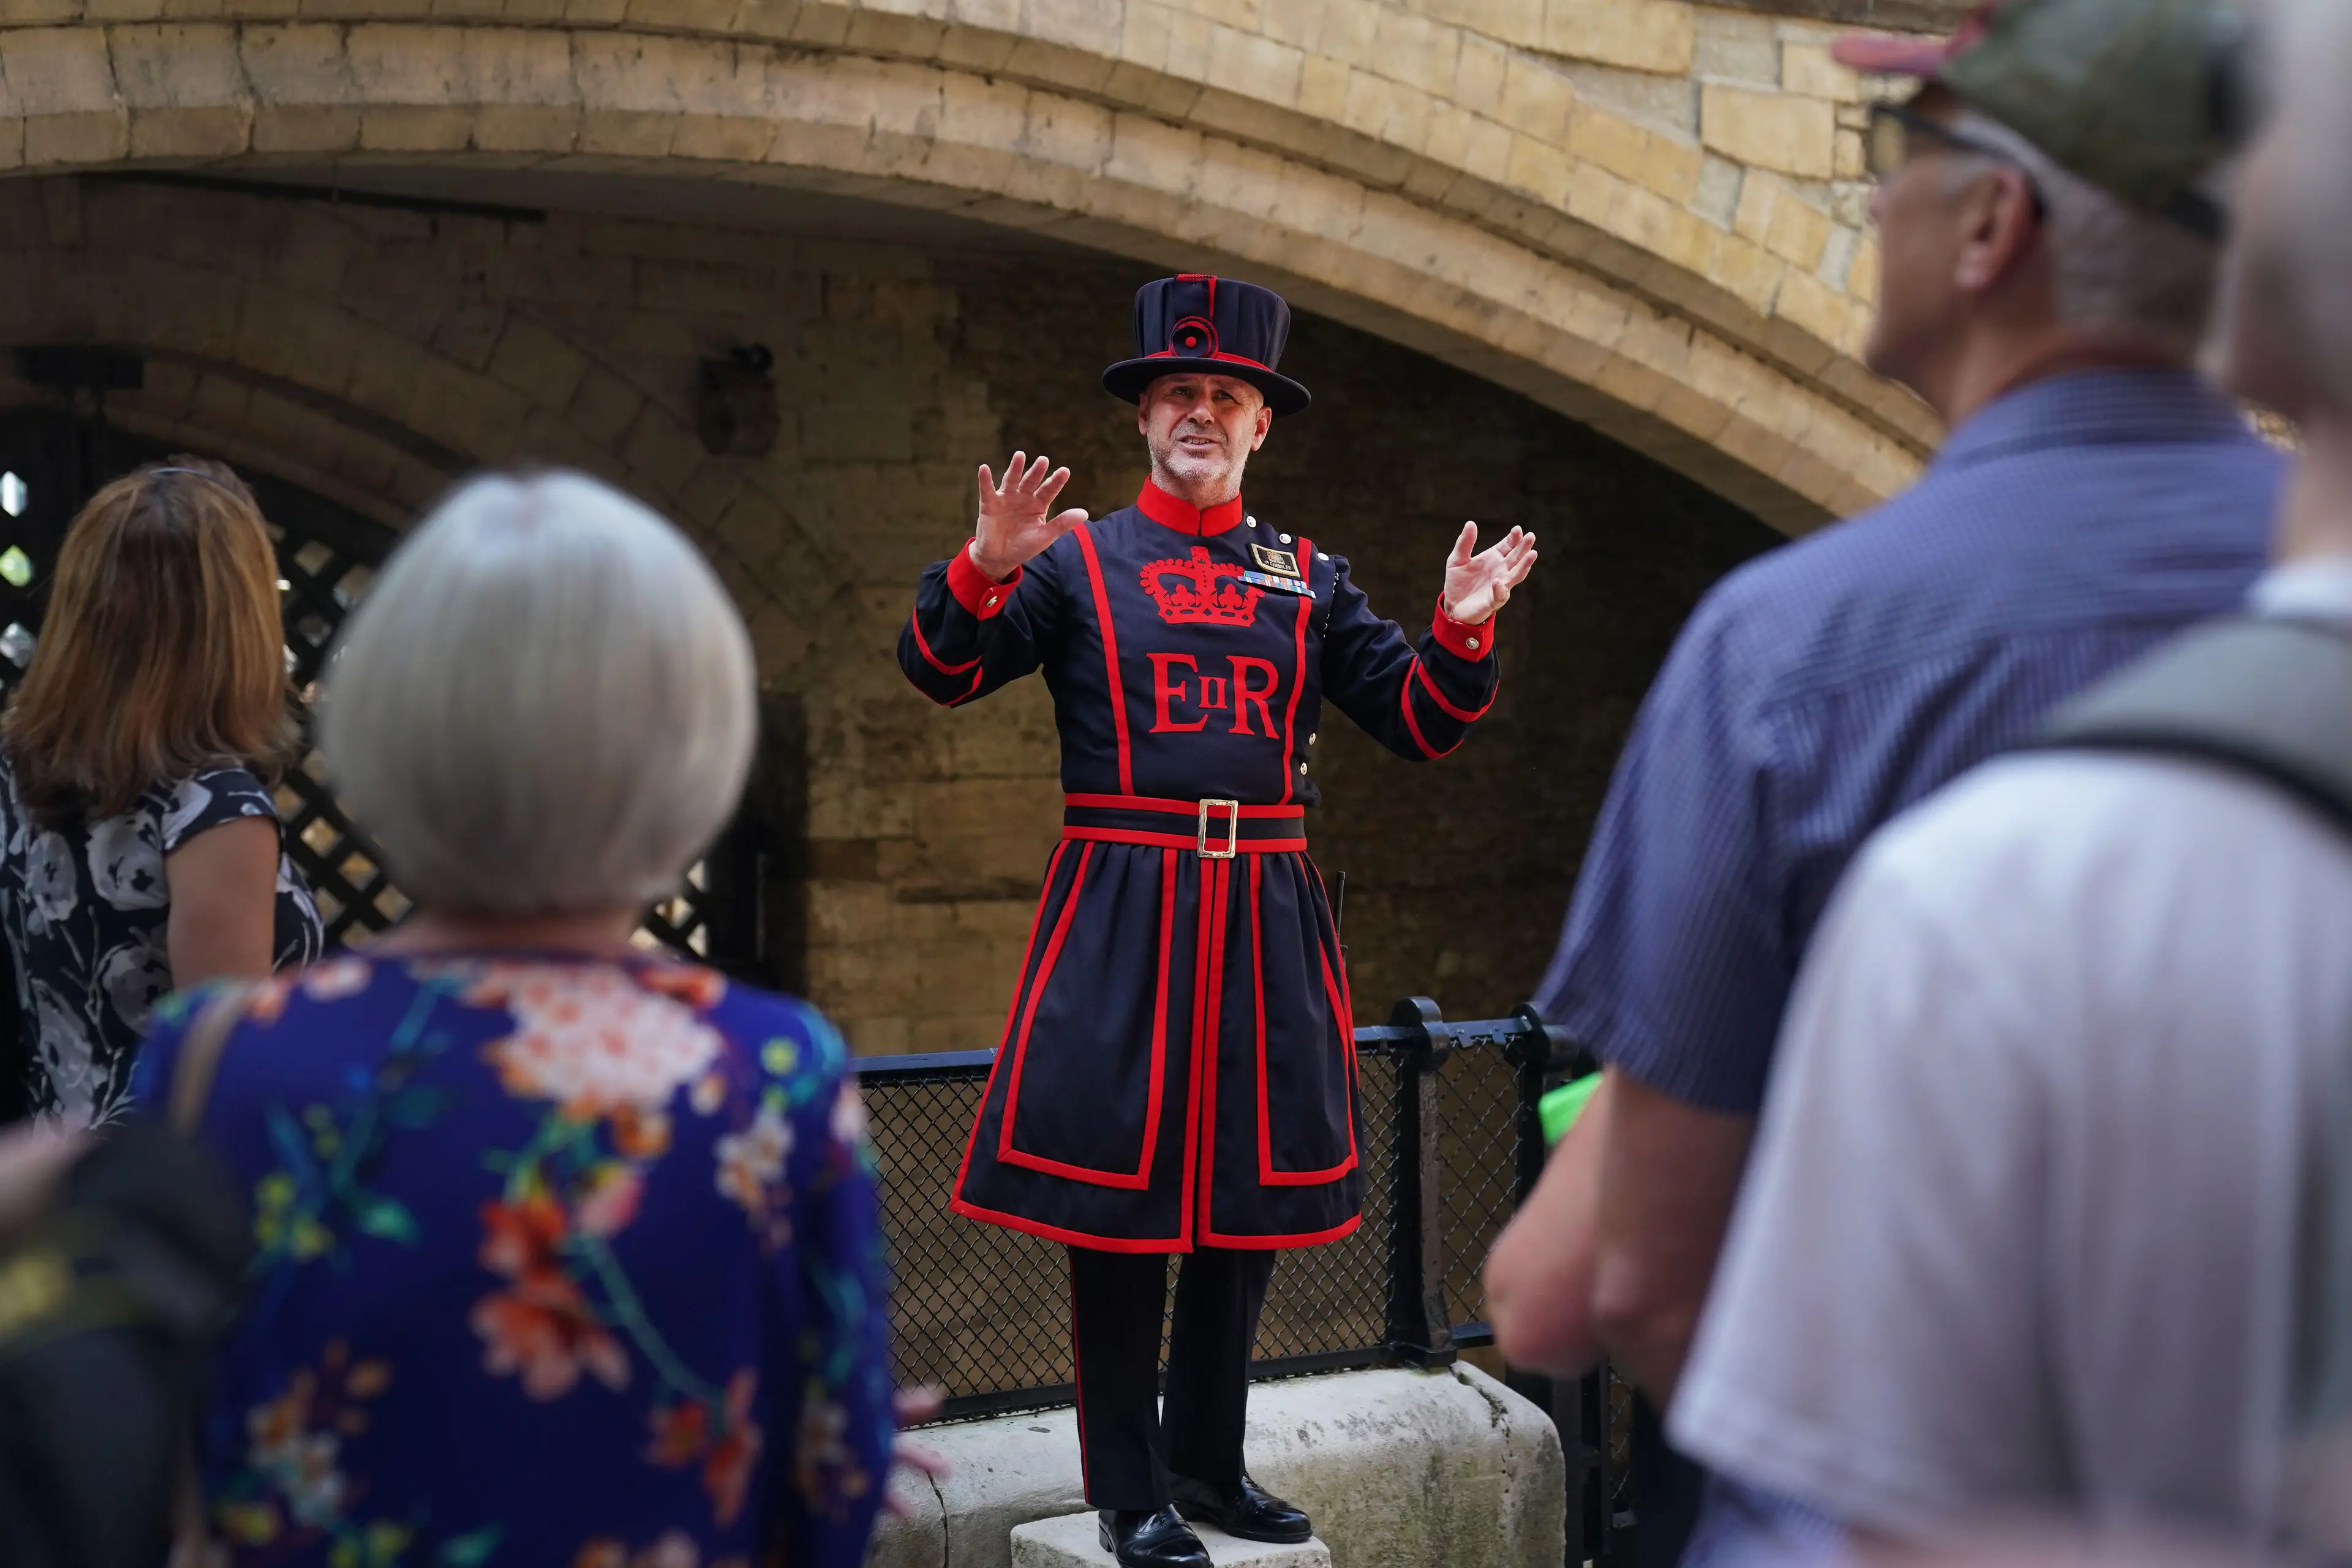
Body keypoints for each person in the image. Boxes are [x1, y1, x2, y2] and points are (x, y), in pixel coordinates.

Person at [1483, 0, 2279, 1555]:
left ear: (1991, 222)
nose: (1865, 196)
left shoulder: (1790, 652)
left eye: (1892, 151)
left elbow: (1607, 1284)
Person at [129, 473, 895, 1568]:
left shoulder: (219, 1060)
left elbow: (155, 1443)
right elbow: (837, 1495)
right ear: (693, 742)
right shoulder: (771, 1071)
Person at [897, 274, 1536, 1568]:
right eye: (1177, 392)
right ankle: (1127, 1481)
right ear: (1144, 420)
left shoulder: (1304, 575)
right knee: (1123, 1219)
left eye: (1225, 396)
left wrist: (1460, 634)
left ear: (1262, 428)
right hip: (1124, 907)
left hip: (1264, 916)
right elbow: (942, 669)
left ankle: (1206, 1461)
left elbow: (1414, 721)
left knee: (1242, 1209)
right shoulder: (1073, 561)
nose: (1200, 410)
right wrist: (981, 570)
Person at [0, 458, 322, 1129]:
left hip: (51, 1169)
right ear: (238, 623)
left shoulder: (16, 764)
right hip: (162, 1205)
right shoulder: (213, 809)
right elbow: (218, 1084)